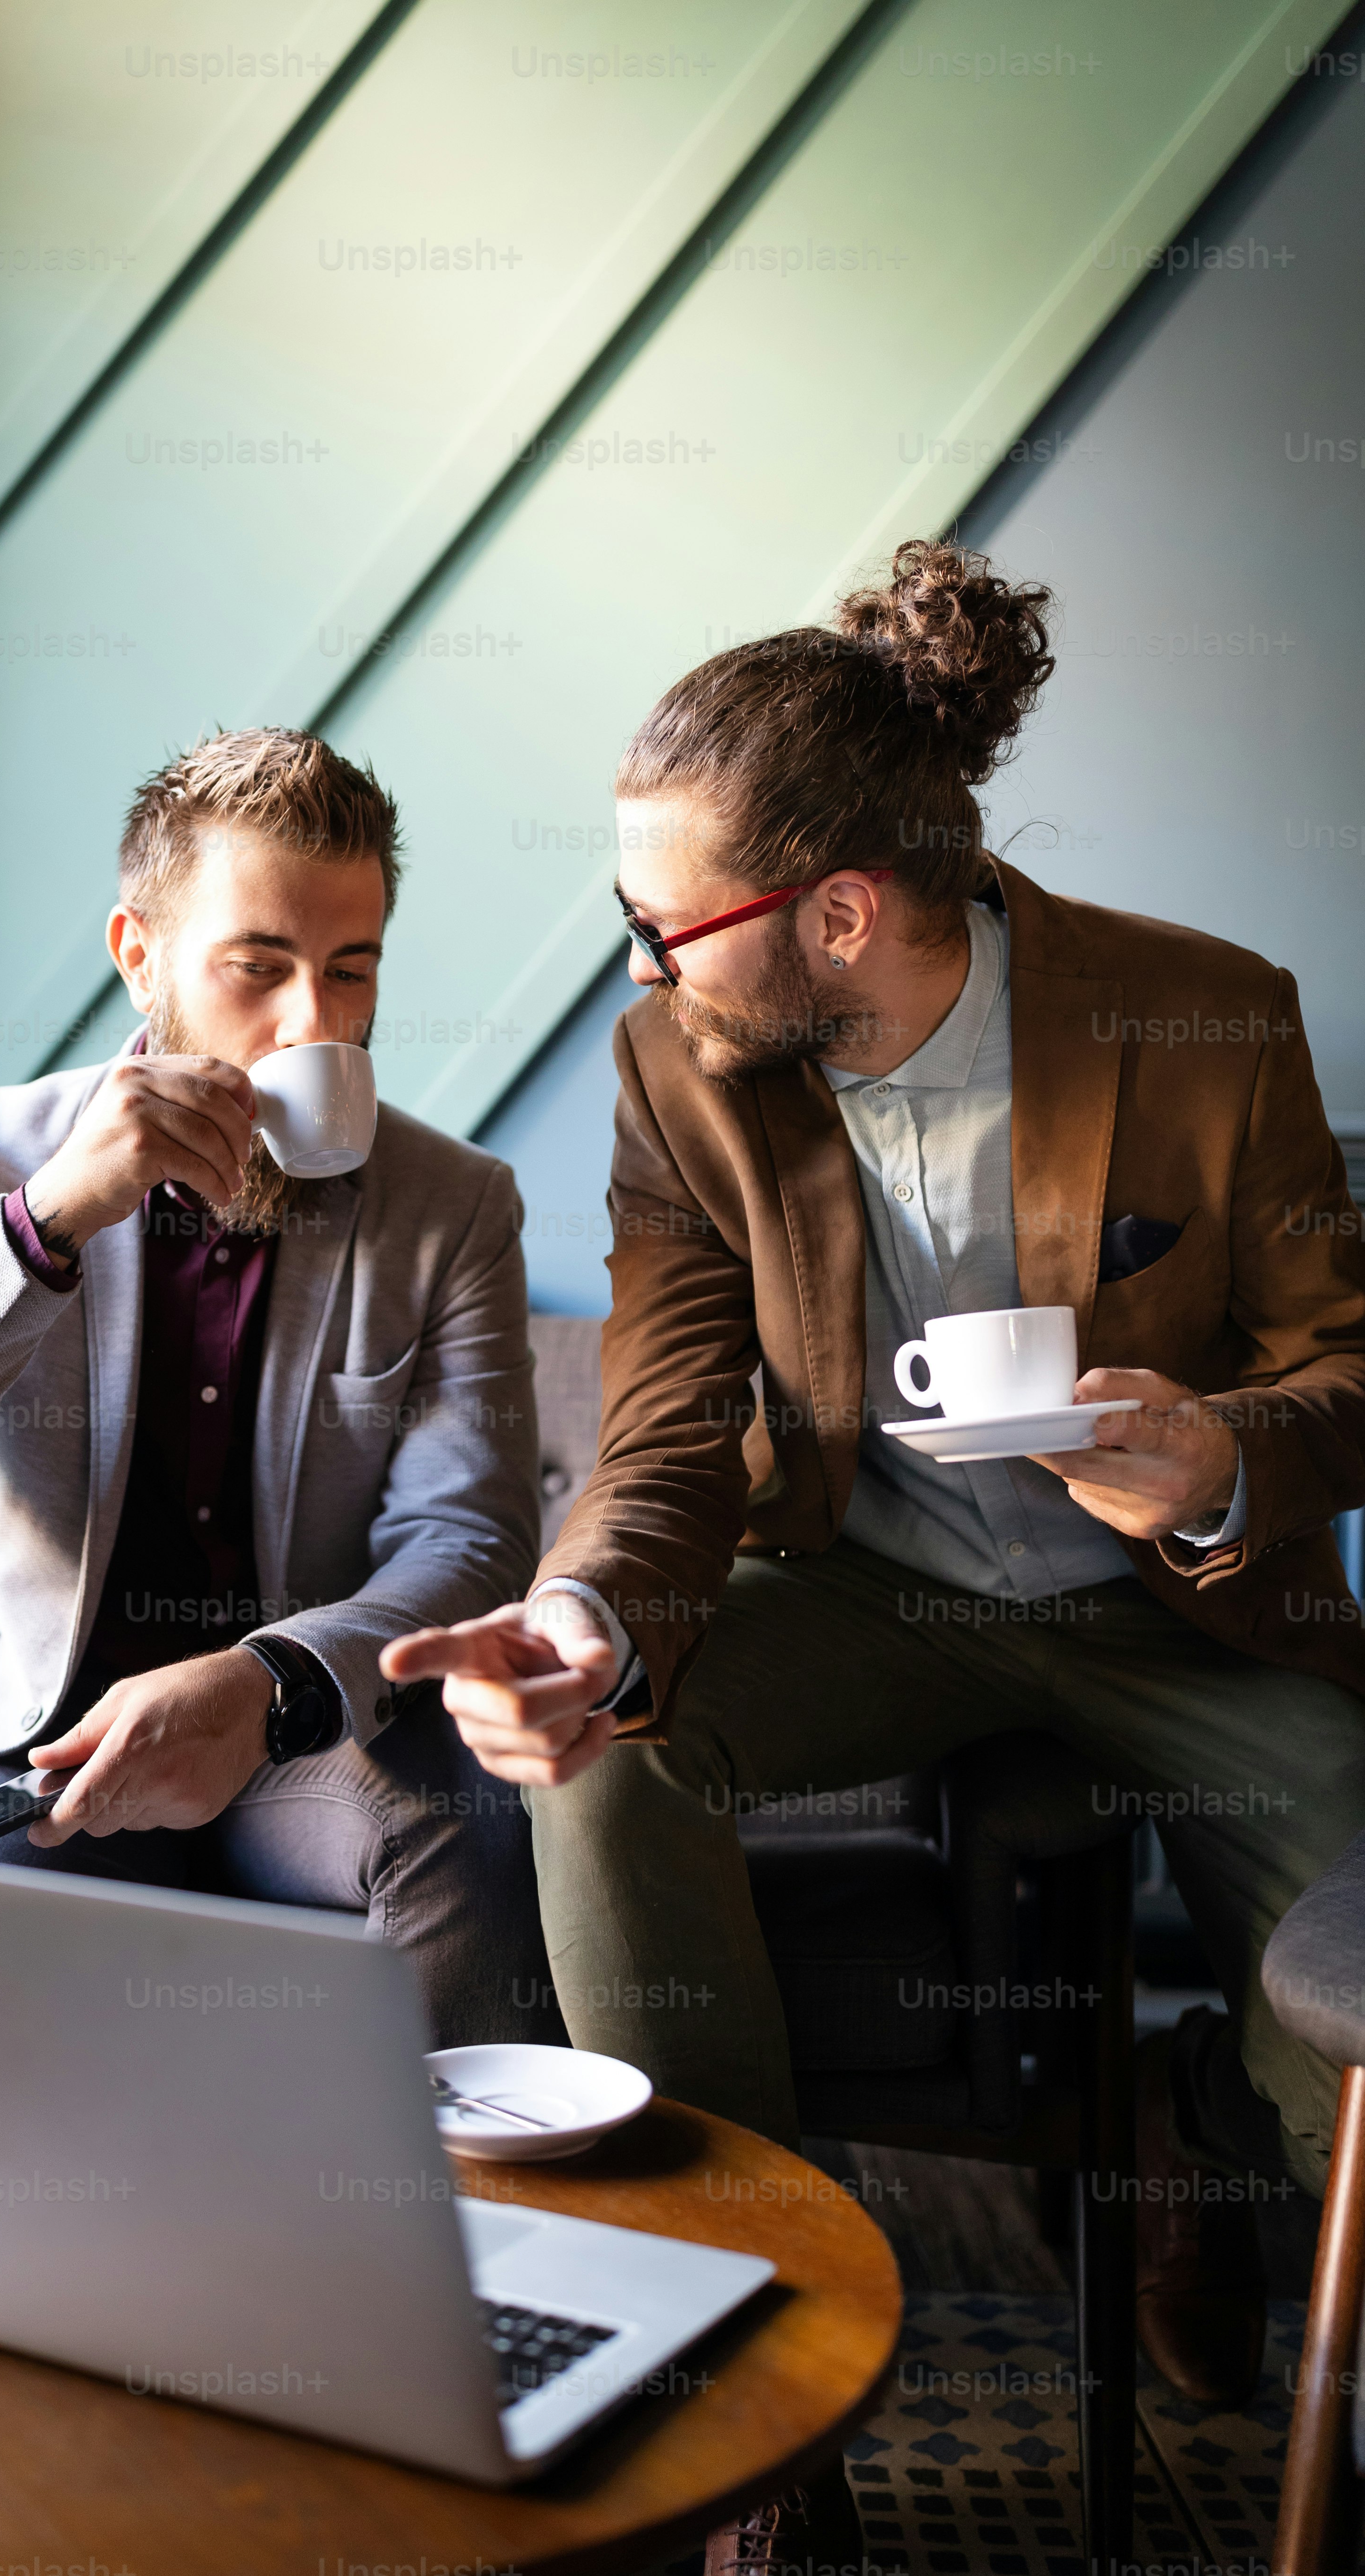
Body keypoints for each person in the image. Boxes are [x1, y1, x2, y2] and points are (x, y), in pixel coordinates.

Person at [385, 540, 1365, 2417]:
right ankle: (745, 2358)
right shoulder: (681, 1068)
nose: (642, 959)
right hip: (868, 1585)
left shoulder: (1210, 1017)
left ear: (839, 916)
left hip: (1190, 1615)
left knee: (1357, 2001)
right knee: (607, 1754)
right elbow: (669, 1415)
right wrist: (587, 1614)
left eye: (669, 922)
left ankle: (1212, 2132)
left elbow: (1354, 1369)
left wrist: (1218, 1460)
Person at [0, 724, 560, 2124]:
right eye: (260, 966)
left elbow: (471, 1542)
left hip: (297, 1745)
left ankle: (449, 2288)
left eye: (353, 967)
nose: (317, 1023)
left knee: (462, 1837)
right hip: (22, 1743)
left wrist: (265, 1683)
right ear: (142, 952)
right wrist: (45, 1223)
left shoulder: (453, 1206)